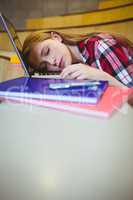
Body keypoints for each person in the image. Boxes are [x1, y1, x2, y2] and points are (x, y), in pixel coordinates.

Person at [22, 30, 133, 87]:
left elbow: (130, 96)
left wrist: (102, 77)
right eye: (45, 66)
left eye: (47, 51)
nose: (52, 62)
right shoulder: (80, 60)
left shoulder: (100, 47)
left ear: (56, 37)